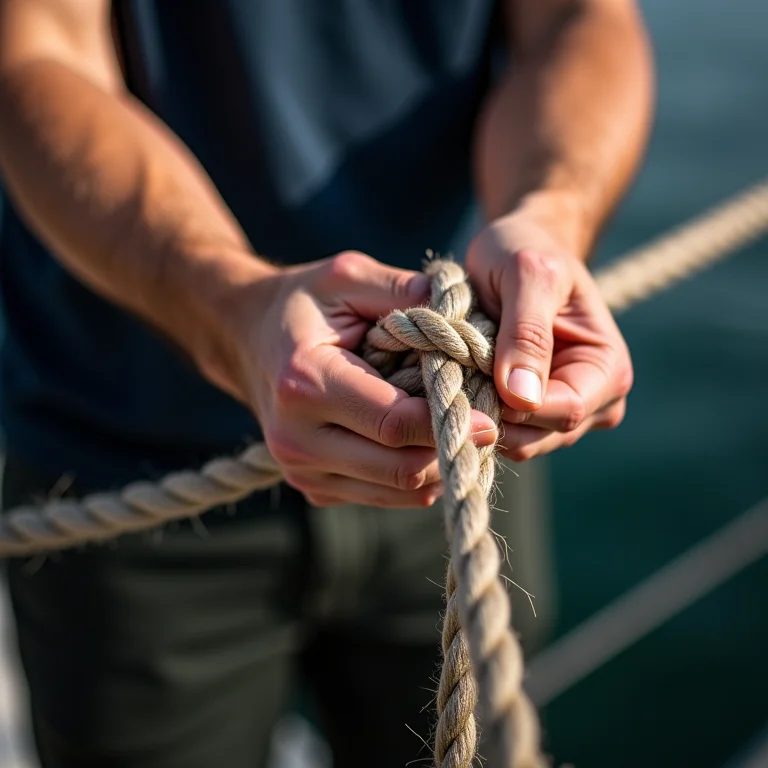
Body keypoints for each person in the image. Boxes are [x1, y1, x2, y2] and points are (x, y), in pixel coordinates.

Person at [0, 1, 652, 766]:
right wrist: (231, 307)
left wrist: (548, 219)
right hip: (122, 460)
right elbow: (39, 51)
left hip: (453, 442)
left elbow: (578, 19)